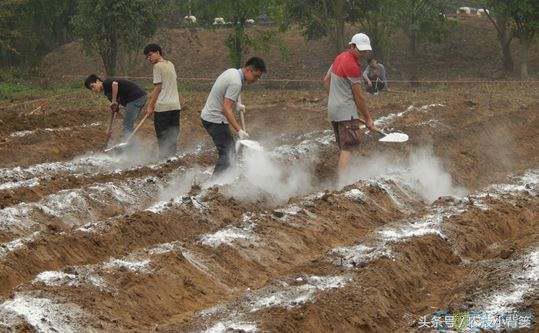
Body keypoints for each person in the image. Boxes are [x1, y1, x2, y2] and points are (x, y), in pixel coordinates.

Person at [201, 57, 267, 176]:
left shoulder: (233, 72)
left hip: (211, 116)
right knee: (228, 153)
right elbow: (226, 109)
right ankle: (214, 184)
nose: (256, 80)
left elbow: (225, 94)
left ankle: (224, 179)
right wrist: (239, 130)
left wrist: (236, 104)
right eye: (256, 76)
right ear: (248, 70)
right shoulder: (236, 82)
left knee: (229, 151)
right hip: (214, 119)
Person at [323, 33, 375, 181]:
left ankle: (346, 177)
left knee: (344, 146)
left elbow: (326, 81)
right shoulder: (353, 66)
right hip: (346, 112)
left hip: (334, 110)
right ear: (351, 46)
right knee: (348, 147)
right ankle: (342, 184)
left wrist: (335, 99)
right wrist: (368, 118)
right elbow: (359, 97)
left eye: (365, 51)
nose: (363, 53)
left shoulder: (339, 58)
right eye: (360, 50)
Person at [143, 43, 181, 159]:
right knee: (172, 135)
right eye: (147, 57)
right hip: (175, 106)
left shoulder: (157, 67)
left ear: (158, 52)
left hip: (163, 108)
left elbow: (158, 88)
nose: (149, 59)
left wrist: (150, 105)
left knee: (163, 136)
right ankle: (172, 159)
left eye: (150, 55)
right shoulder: (171, 64)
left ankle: (164, 160)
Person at [84, 74, 147, 140]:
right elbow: (114, 109)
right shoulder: (108, 94)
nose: (93, 90)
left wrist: (114, 101)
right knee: (127, 122)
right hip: (132, 101)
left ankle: (129, 145)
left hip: (137, 97)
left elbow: (115, 84)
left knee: (127, 124)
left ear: (97, 81)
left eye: (93, 86)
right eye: (91, 89)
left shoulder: (106, 83)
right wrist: (109, 128)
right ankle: (129, 141)